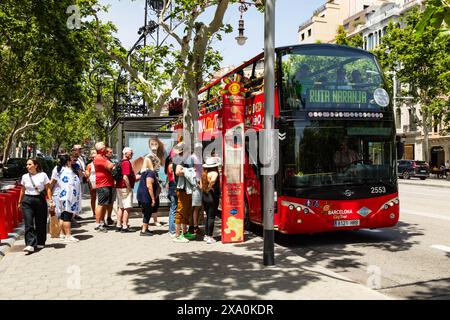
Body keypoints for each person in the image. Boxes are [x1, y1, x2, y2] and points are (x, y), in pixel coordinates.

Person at [17, 159, 54, 253]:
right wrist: (19, 202)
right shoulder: (25, 176)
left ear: (36, 165)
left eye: (30, 164)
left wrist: (51, 201)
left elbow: (48, 189)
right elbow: (23, 189)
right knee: (28, 223)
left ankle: (40, 241)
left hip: (39, 199)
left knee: (40, 222)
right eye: (27, 164)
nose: (27, 166)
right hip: (27, 201)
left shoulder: (43, 175)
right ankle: (30, 244)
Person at [54, 154, 82, 243]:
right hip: (68, 197)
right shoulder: (67, 171)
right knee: (67, 216)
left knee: (63, 216)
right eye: (71, 160)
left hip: (63, 196)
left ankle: (62, 233)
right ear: (68, 162)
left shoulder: (59, 169)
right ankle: (68, 235)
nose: (73, 161)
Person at [172, 142, 196, 243]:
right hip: (182, 189)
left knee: (186, 211)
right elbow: (178, 172)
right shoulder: (180, 160)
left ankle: (184, 232)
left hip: (185, 189)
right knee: (181, 211)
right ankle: (177, 235)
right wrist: (189, 171)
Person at [93, 142, 115, 232]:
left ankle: (102, 222)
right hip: (103, 184)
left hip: (107, 183)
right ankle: (98, 225)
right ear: (101, 149)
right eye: (105, 148)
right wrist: (113, 164)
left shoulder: (102, 157)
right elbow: (110, 166)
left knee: (104, 204)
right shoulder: (99, 158)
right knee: (101, 204)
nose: (106, 149)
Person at [115, 147, 138, 232]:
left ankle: (118, 225)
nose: (132, 154)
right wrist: (129, 188)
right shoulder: (126, 163)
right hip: (125, 187)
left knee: (121, 207)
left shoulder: (120, 162)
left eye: (132, 153)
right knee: (127, 207)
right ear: (125, 153)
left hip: (119, 187)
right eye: (130, 153)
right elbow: (125, 177)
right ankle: (124, 226)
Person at [136, 157, 161, 236]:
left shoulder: (145, 171)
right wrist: (153, 199)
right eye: (157, 163)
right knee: (148, 212)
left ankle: (145, 228)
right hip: (146, 196)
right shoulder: (150, 172)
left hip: (142, 195)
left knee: (147, 212)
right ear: (153, 164)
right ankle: (143, 231)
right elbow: (149, 186)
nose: (158, 165)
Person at [201, 157, 221, 244]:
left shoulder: (203, 173)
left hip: (204, 196)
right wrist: (210, 187)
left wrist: (206, 189)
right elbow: (213, 181)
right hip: (212, 197)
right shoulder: (215, 173)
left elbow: (201, 186)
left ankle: (206, 235)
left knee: (208, 216)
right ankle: (210, 237)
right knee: (211, 217)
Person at [189, 142, 203, 236]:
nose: (199, 150)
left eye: (200, 148)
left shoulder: (200, 157)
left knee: (198, 206)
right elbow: (191, 172)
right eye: (197, 148)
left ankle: (195, 225)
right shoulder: (192, 158)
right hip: (195, 185)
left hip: (200, 184)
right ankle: (193, 227)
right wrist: (197, 182)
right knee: (194, 206)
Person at [165, 155, 177, 238]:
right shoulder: (171, 166)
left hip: (171, 187)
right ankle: (172, 230)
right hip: (174, 187)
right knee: (174, 209)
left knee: (172, 209)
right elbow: (174, 177)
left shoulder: (168, 166)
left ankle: (172, 229)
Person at [104, 147, 115, 226]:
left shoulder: (110, 161)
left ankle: (109, 217)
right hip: (105, 184)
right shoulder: (104, 161)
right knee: (104, 203)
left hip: (112, 184)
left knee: (111, 202)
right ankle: (102, 220)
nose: (111, 154)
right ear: (106, 153)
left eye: (112, 152)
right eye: (110, 152)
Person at [85, 149, 97, 218]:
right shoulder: (89, 165)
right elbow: (87, 173)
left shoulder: (100, 164)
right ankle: (94, 213)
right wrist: (87, 174)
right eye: (92, 157)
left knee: (101, 199)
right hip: (92, 182)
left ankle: (100, 212)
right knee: (93, 198)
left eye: (95, 157)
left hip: (100, 182)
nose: (94, 158)